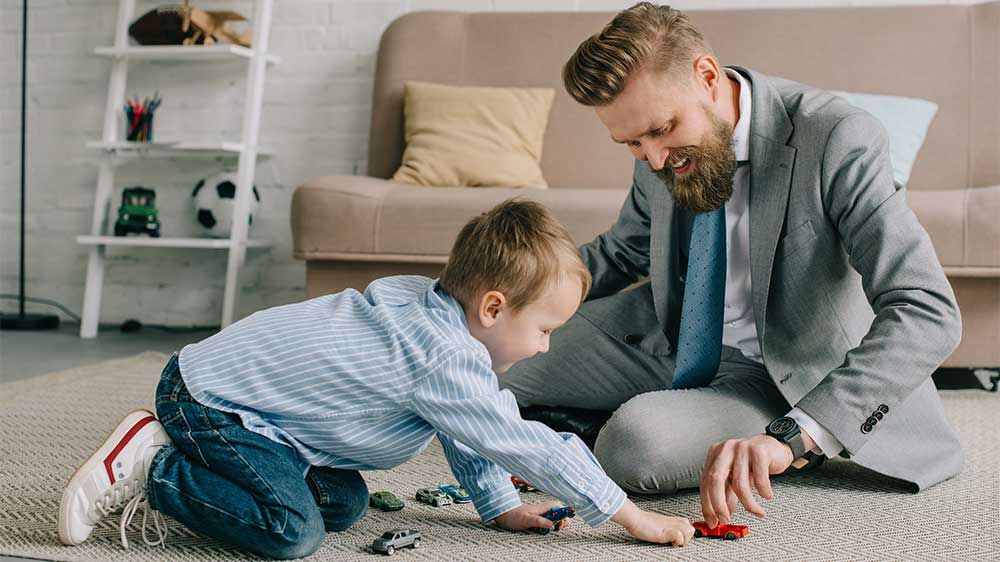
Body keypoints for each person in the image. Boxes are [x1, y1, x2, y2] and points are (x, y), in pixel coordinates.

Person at [500, 1, 964, 531]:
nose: (653, 159)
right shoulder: (659, 149)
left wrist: (794, 436)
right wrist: (489, 298)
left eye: (662, 129)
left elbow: (927, 310)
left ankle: (738, 434)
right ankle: (632, 412)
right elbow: (623, 252)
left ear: (706, 74)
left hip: (783, 370)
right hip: (674, 337)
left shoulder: (837, 137)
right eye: (631, 143)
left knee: (633, 446)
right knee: (494, 357)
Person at [57, 198, 695, 559]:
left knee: (346, 504)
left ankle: (185, 459)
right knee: (291, 532)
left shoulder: (435, 313)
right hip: (210, 399)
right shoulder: (439, 355)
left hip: (264, 416)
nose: (546, 345)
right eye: (546, 328)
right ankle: (154, 468)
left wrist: (499, 506)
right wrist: (627, 515)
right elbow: (519, 439)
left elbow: (469, 429)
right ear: (493, 308)